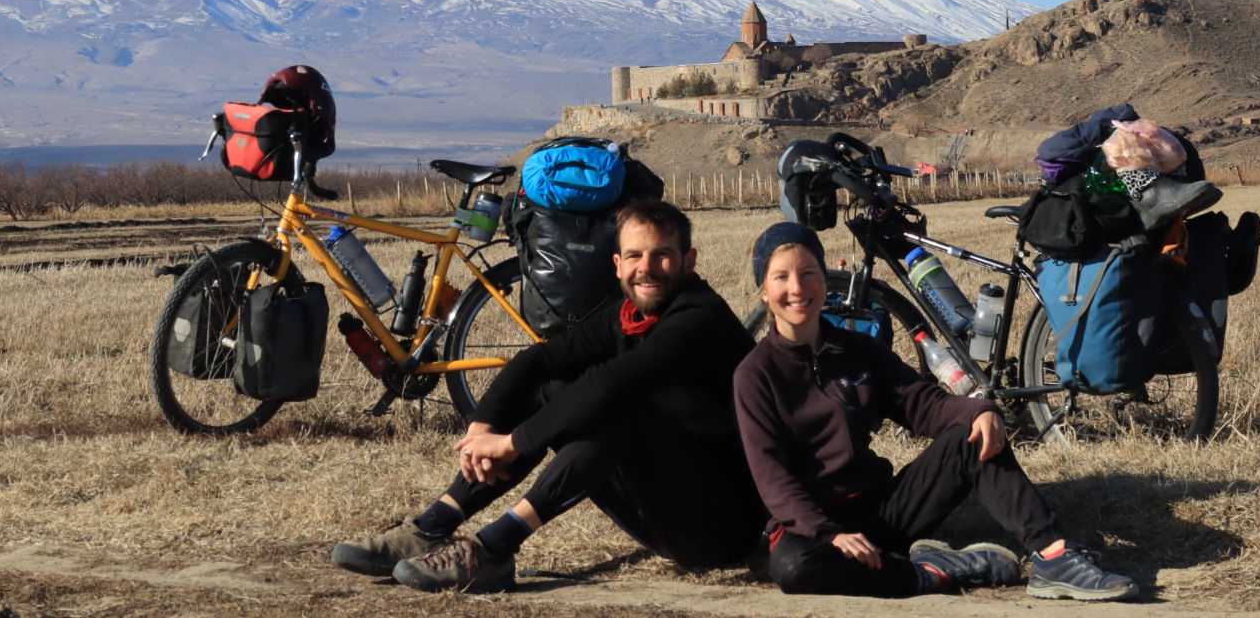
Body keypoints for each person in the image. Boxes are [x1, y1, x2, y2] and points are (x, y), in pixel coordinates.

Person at [332, 198, 765, 593]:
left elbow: (613, 384)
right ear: (617, 264)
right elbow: (537, 360)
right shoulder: (626, 314)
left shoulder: (699, 318)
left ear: (688, 261)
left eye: (662, 255)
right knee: (549, 388)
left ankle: (494, 549)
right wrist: (482, 426)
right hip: (660, 510)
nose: (646, 267)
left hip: (719, 526)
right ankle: (432, 526)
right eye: (634, 255)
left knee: (618, 407)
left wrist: (511, 442)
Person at [733, 221, 1139, 602]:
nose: (797, 287)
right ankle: (932, 573)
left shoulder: (858, 350)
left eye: (808, 273)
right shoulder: (754, 375)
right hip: (810, 528)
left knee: (970, 435)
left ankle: (1053, 555)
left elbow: (921, 403)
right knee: (793, 569)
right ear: (764, 290)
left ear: (824, 280)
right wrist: (826, 534)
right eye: (781, 277)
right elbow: (772, 476)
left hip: (883, 513)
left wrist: (979, 409)